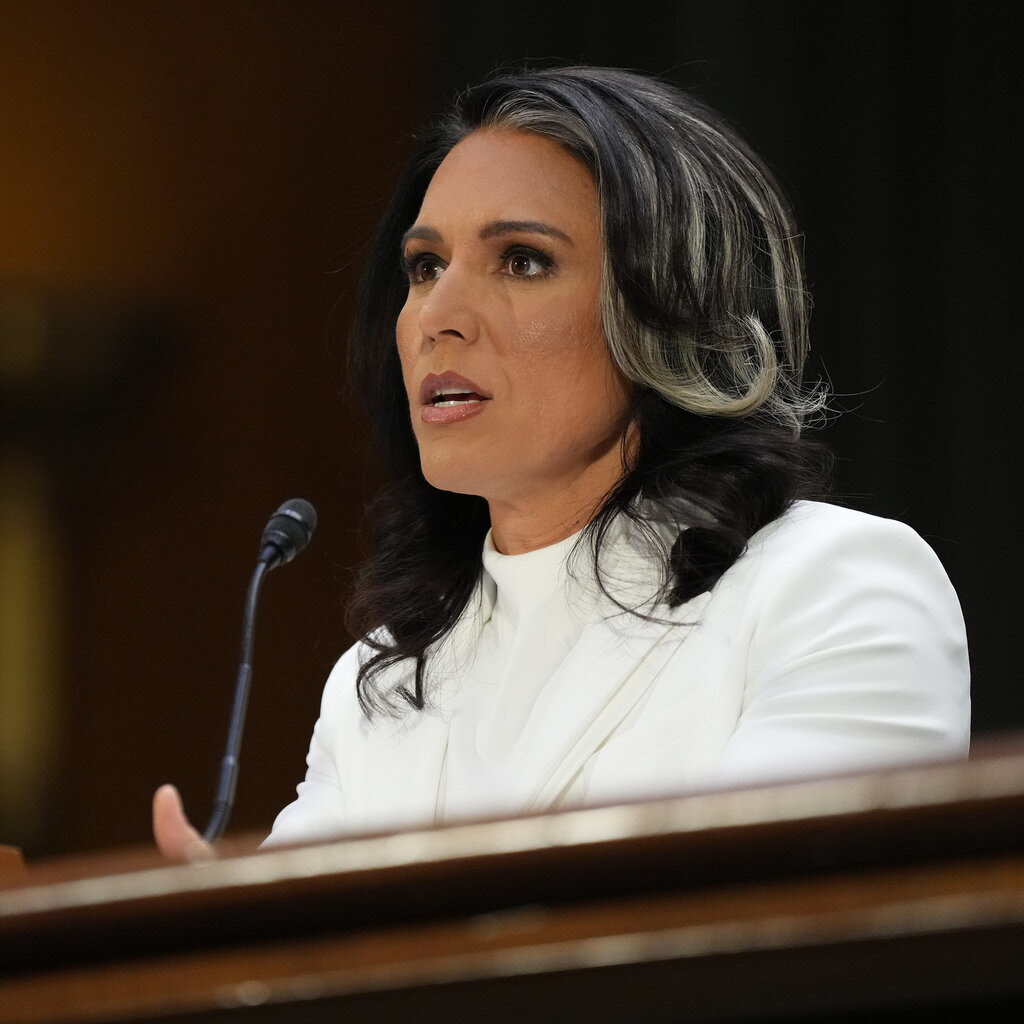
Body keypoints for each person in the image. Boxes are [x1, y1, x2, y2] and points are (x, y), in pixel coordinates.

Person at [153, 66, 969, 860]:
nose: (438, 316)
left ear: (668, 307)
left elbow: (769, 948)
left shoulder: (831, 587)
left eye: (522, 260)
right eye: (425, 267)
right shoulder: (384, 675)